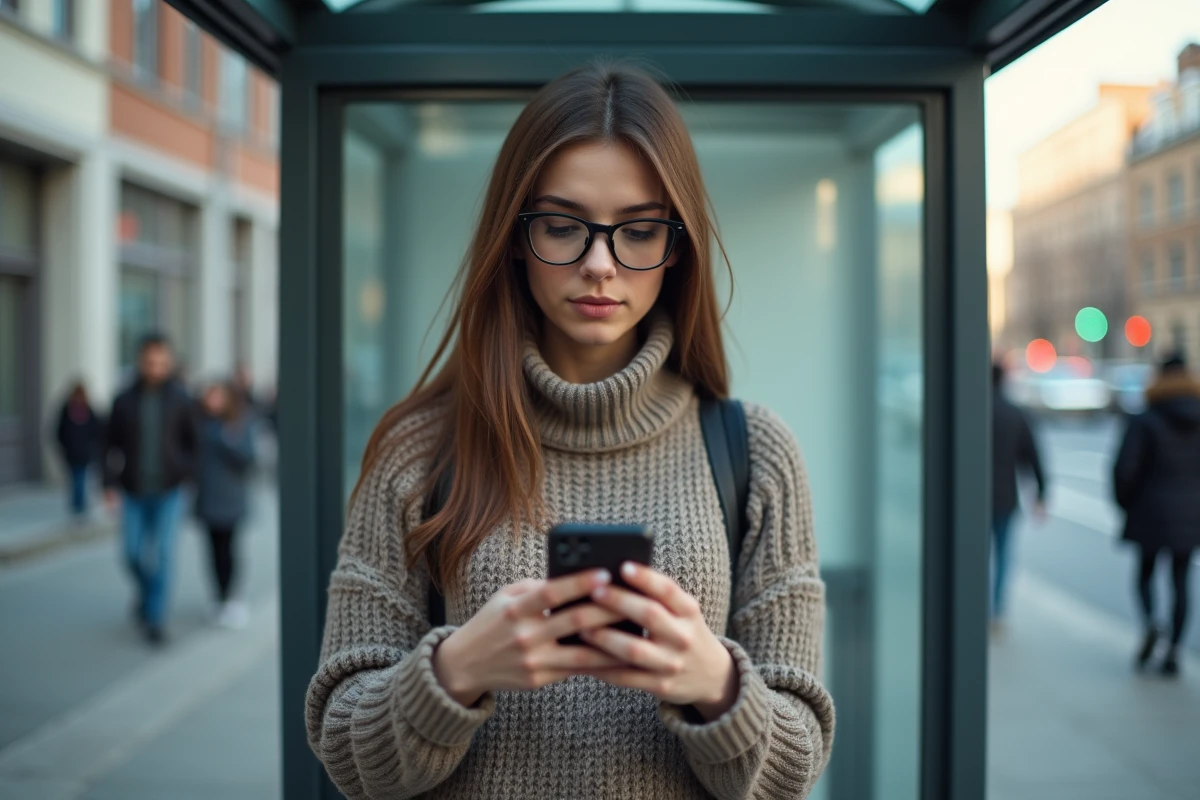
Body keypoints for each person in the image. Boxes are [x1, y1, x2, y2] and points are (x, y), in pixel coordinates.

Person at [305, 64, 834, 800]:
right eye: (562, 225)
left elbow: (794, 763)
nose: (598, 264)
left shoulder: (756, 453)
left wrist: (714, 683)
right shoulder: (418, 451)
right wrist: (457, 671)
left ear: (676, 246)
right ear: (514, 238)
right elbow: (345, 747)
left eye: (639, 230)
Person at [103, 333, 199, 644]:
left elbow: (195, 443)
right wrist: (108, 484)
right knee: (131, 553)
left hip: (170, 491)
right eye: (150, 362)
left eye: (162, 362)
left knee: (163, 556)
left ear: (169, 363)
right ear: (140, 361)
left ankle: (155, 619)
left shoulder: (182, 398)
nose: (156, 368)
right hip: (133, 490)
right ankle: (146, 595)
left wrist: (186, 475)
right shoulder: (123, 400)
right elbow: (107, 444)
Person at [1114, 352, 1200, 677]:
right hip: (1192, 511)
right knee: (1181, 581)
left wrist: (1126, 504)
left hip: (1149, 509)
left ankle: (1151, 623)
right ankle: (1175, 651)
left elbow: (1125, 469)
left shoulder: (1145, 418)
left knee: (1145, 574)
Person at [195, 381, 256, 629]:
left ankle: (232, 597)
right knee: (212, 550)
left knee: (229, 549)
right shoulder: (199, 424)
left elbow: (249, 458)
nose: (213, 402)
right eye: (210, 397)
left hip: (231, 499)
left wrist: (225, 440)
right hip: (208, 498)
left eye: (218, 397)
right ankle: (218, 596)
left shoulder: (239, 424)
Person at [991, 361, 1047, 627]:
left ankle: (977, 603)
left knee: (976, 554)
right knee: (1003, 554)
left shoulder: (970, 410)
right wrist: (1041, 494)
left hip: (972, 501)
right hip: (1004, 496)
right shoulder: (1014, 413)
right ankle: (997, 609)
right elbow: (1033, 457)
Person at [54, 380, 103, 519]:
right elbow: (60, 431)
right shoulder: (67, 410)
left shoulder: (88, 410)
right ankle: (79, 506)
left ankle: (79, 506)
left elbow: (97, 430)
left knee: (80, 478)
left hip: (84, 452)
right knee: (77, 479)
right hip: (72, 452)